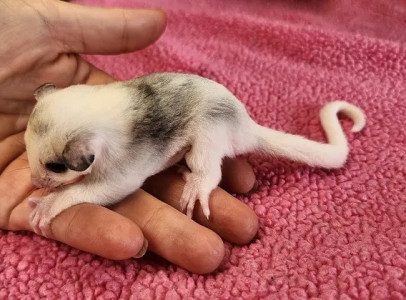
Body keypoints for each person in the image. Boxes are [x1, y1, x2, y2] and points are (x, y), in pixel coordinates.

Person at [0, 0, 258, 274]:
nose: (36, 180)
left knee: (204, 135)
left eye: (53, 167)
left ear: (83, 152)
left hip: (216, 116)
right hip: (176, 105)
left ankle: (206, 176)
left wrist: (63, 198)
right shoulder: (91, 108)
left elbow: (122, 182)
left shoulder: (122, 140)